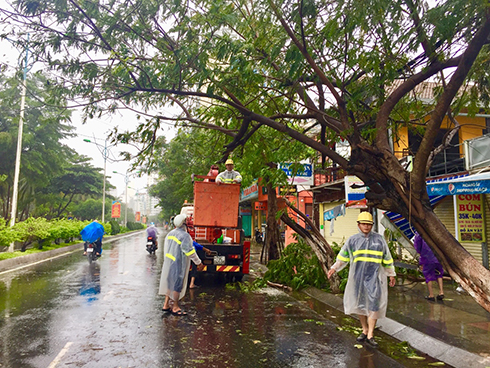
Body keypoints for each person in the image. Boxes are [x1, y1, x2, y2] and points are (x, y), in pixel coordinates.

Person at [327, 212, 396, 348]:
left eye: (369, 224)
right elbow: (343, 256)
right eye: (364, 224)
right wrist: (334, 268)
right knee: (360, 305)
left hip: (375, 278)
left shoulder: (379, 240)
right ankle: (364, 329)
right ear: (358, 224)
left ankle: (370, 334)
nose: (366, 226)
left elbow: (387, 258)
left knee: (374, 305)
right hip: (358, 278)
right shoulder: (352, 240)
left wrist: (391, 274)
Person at [159, 214, 205, 316]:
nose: (189, 222)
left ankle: (166, 305)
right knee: (177, 285)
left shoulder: (170, 234)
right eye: (187, 220)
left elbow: (166, 249)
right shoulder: (184, 236)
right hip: (178, 263)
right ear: (183, 223)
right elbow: (189, 251)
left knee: (170, 284)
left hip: (169, 263)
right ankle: (175, 307)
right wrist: (199, 263)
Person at [413, 233, 444, 302]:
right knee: (439, 273)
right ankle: (441, 292)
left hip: (427, 257)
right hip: (438, 257)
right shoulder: (435, 230)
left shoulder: (419, 233)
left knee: (428, 275)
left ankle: (431, 295)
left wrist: (420, 254)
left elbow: (417, 245)